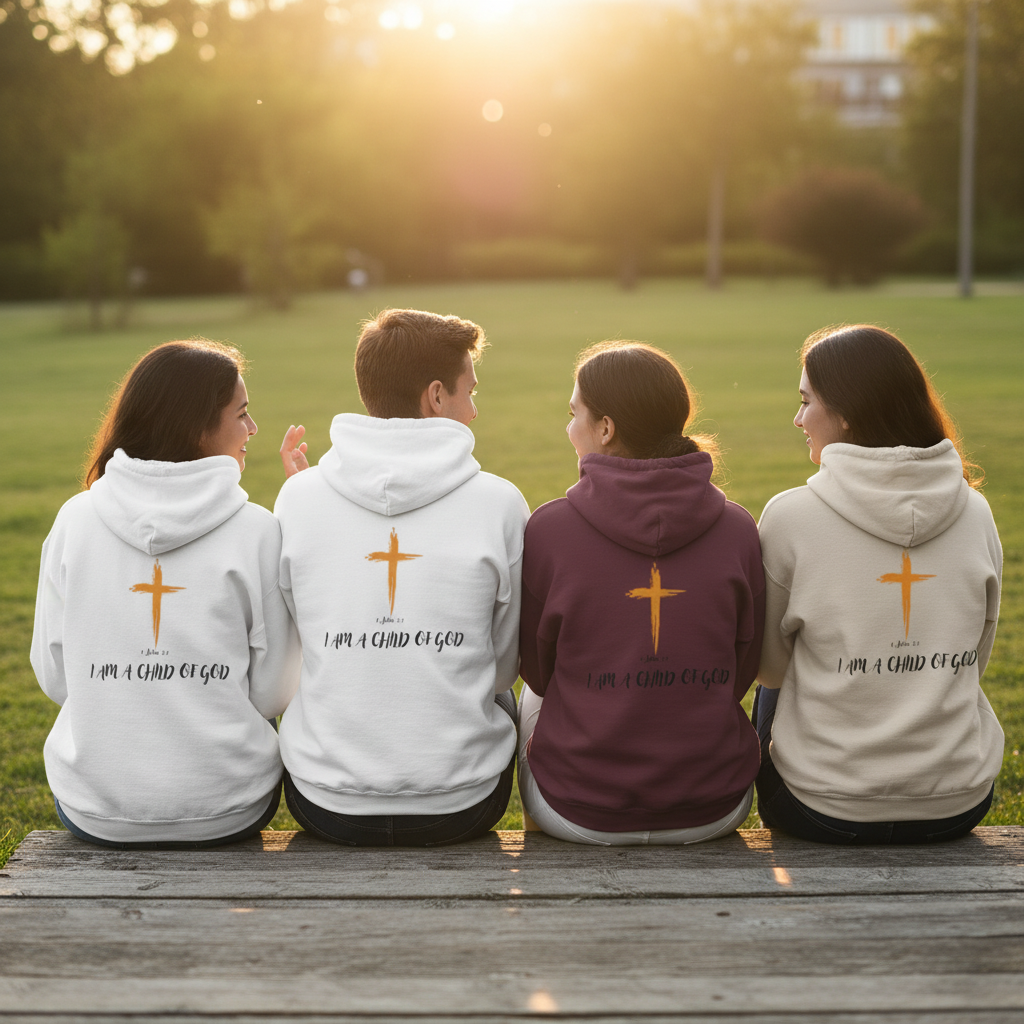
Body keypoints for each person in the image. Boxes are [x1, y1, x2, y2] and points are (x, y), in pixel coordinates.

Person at [30, 340, 301, 849]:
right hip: (229, 808)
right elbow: (273, 694)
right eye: (242, 415)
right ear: (197, 426)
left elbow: (55, 677)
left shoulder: (76, 519)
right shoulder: (256, 530)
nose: (253, 430)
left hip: (96, 808)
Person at [274, 308, 529, 846]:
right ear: (436, 397)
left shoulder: (298, 498)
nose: (475, 410)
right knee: (504, 697)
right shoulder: (499, 503)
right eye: (469, 392)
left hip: (325, 804)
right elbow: (504, 663)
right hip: (461, 806)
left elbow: (297, 644)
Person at [754, 325, 1003, 844]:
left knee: (773, 685)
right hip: (957, 802)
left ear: (845, 412)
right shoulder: (975, 511)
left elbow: (769, 667)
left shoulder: (790, 516)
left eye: (805, 402)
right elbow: (976, 654)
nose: (797, 418)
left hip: (822, 808)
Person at [518, 342, 764, 845]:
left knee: (528, 698)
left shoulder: (549, 529)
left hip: (581, 813)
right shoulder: (738, 529)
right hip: (712, 807)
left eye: (573, 415)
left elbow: (538, 671)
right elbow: (743, 667)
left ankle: (542, 855)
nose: (569, 429)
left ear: (606, 429)